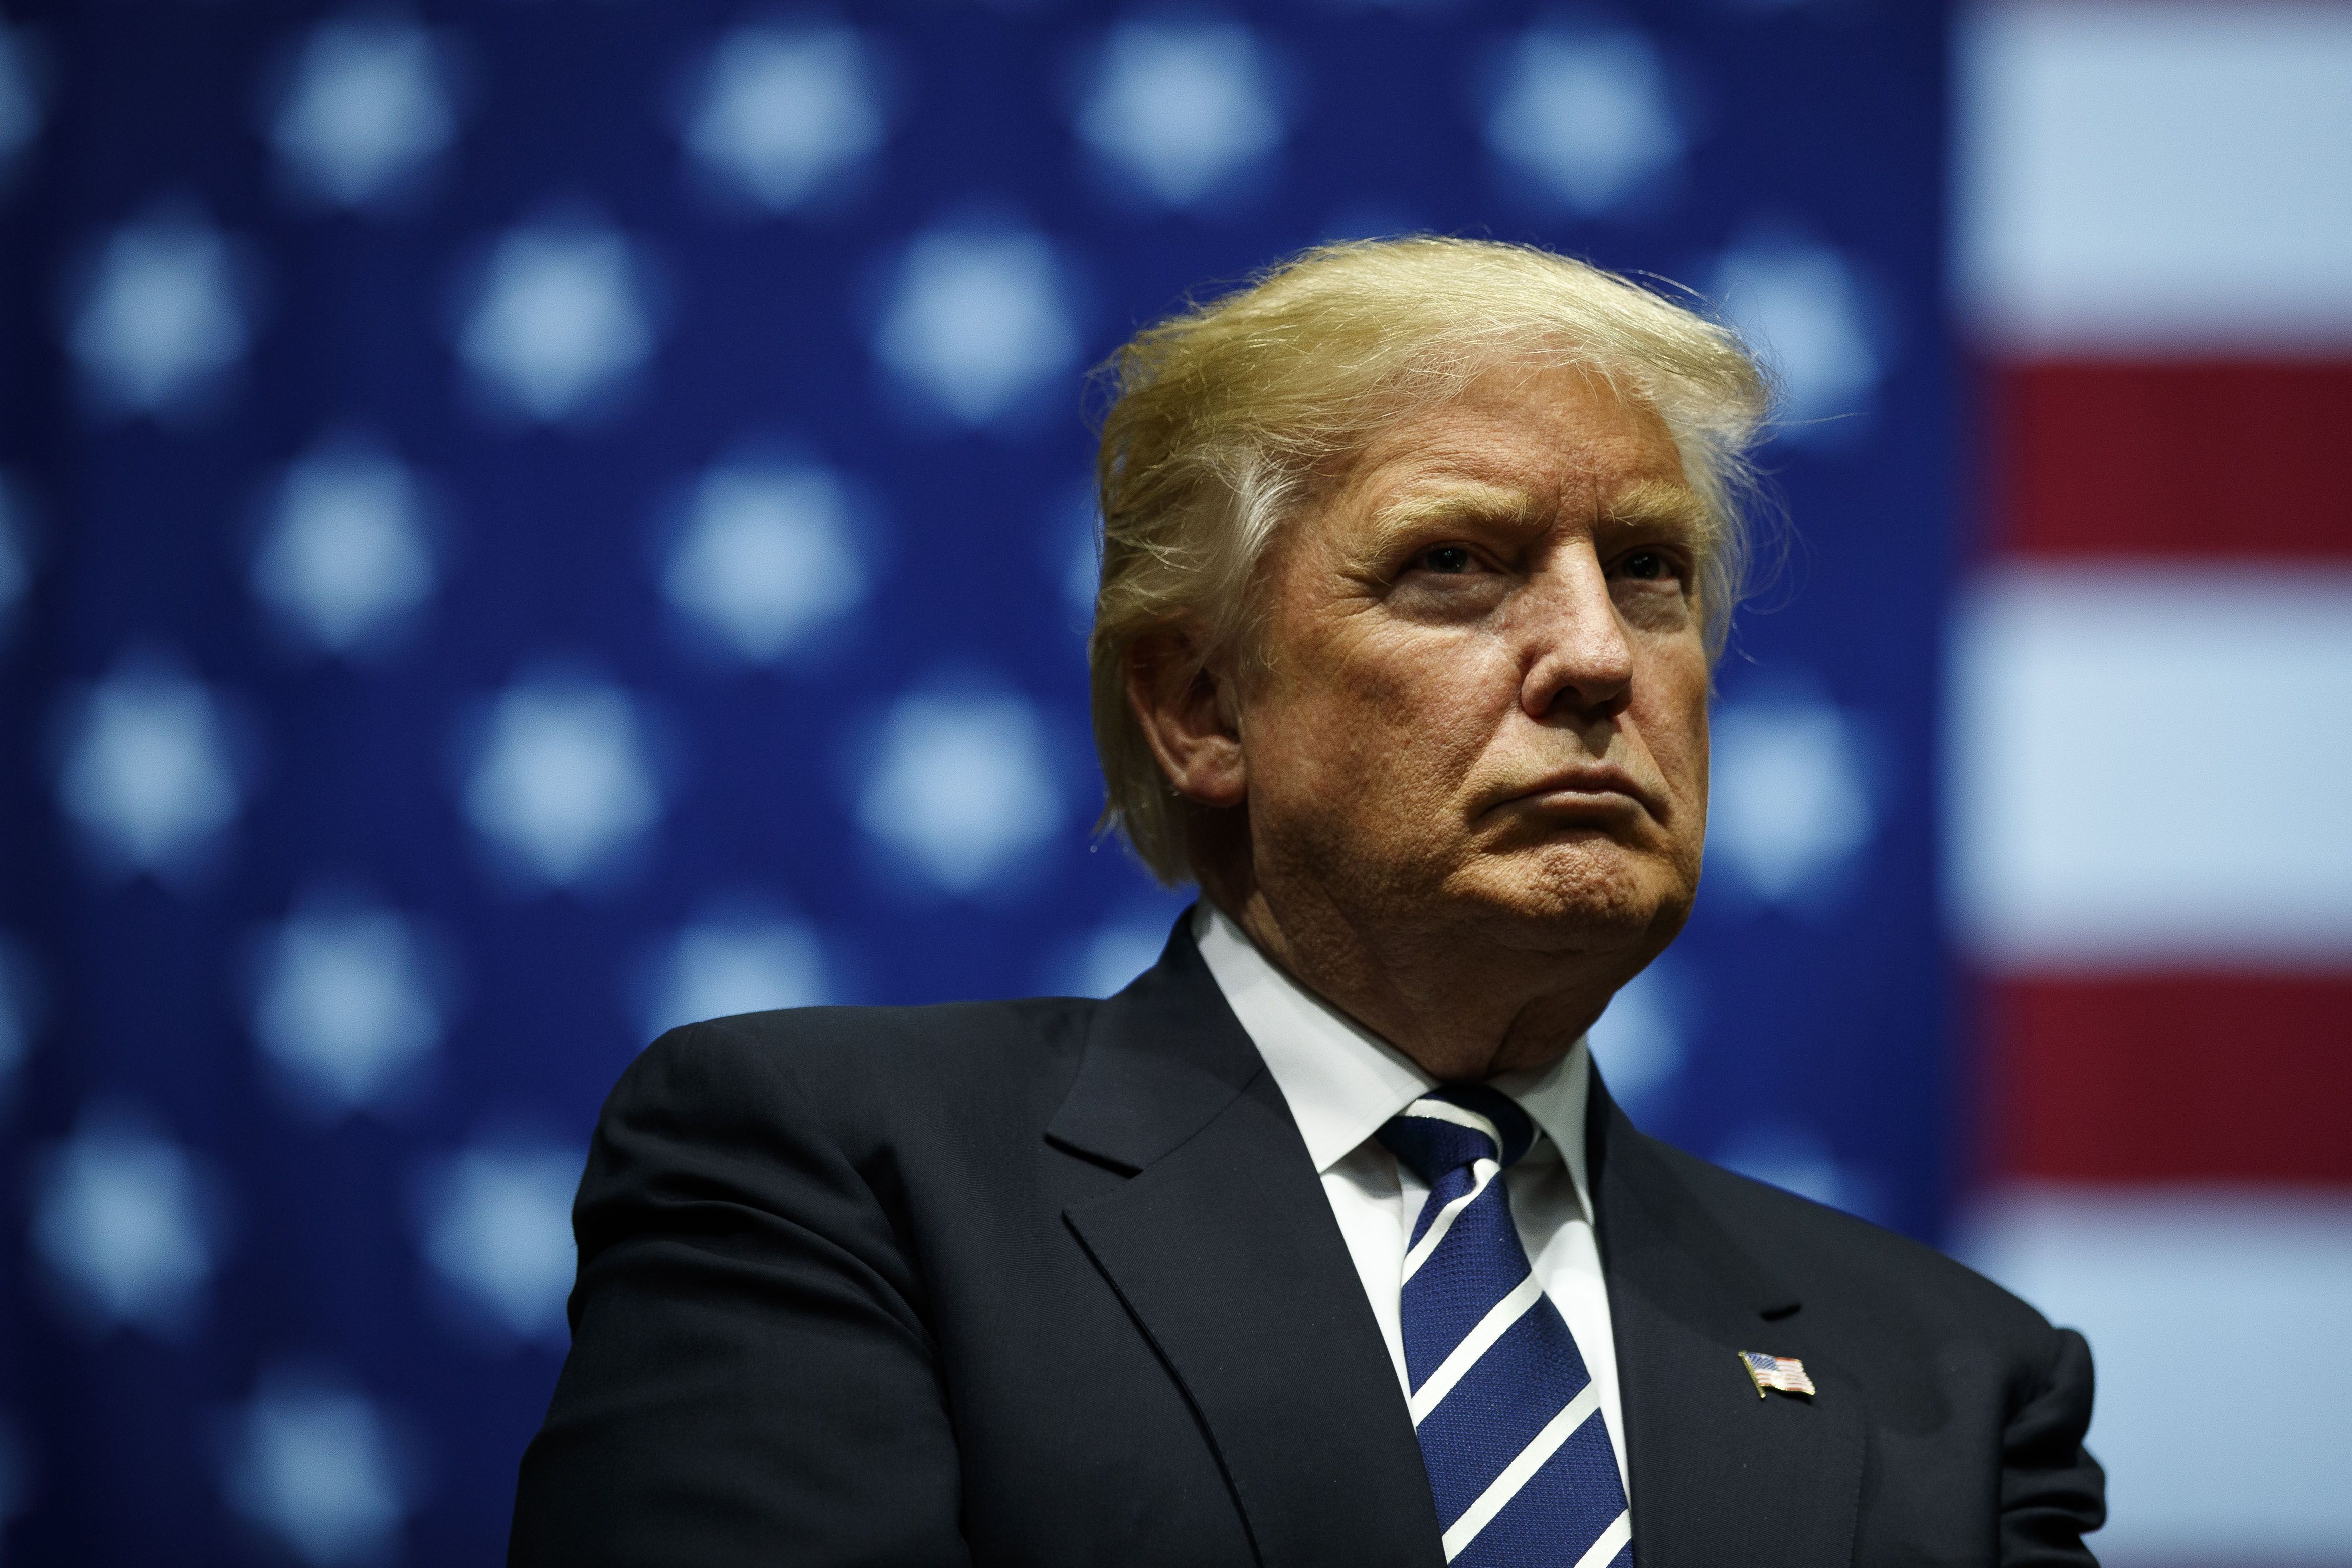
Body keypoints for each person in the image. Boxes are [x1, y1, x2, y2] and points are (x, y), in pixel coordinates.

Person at [507, 237, 2103, 1567]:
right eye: (1455, 566)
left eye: (1646, 569)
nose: (1598, 656)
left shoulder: (1949, 1384)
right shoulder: (843, 1180)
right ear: (1201, 706)